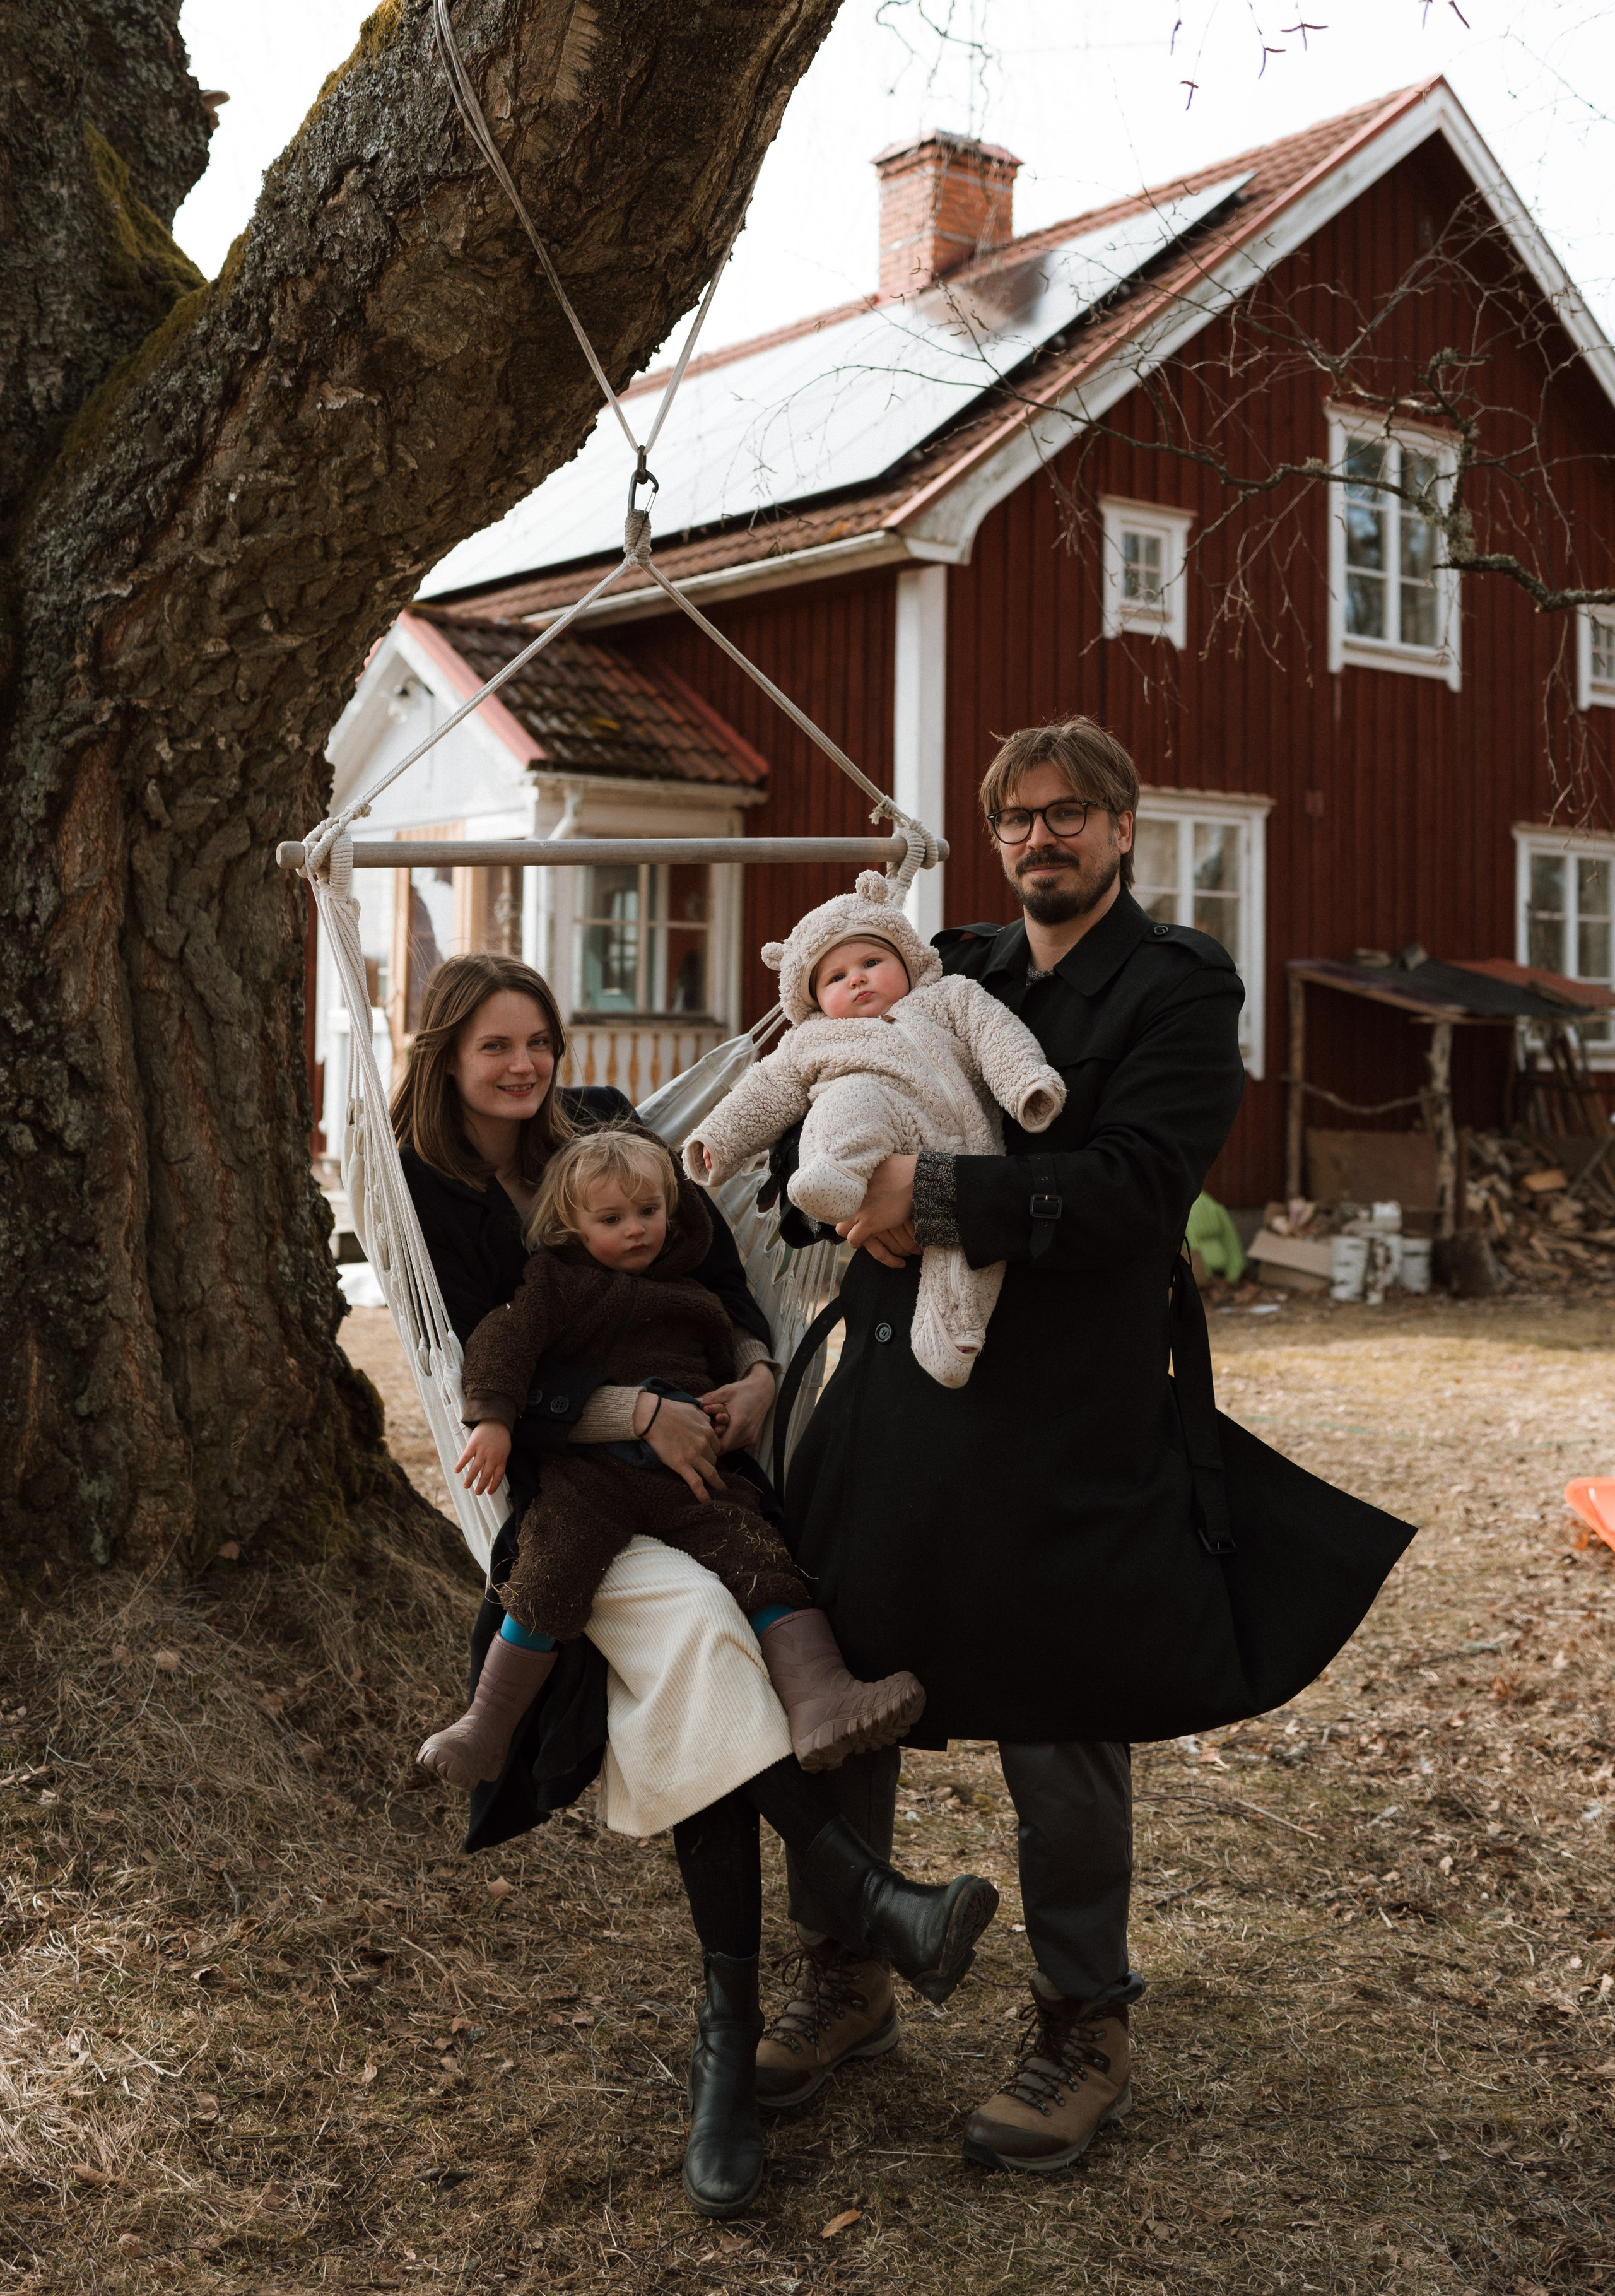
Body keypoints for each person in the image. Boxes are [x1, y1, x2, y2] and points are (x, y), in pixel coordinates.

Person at [761, 721, 1414, 2171]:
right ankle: (846, 1965)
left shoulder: (1176, 988)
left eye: (1065, 816)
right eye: (1014, 821)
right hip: (893, 1389)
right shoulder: (949, 963)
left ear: (1122, 829)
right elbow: (814, 1090)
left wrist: (922, 1193)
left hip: (1067, 1401)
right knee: (837, 1682)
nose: (1036, 841)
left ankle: (1079, 2016)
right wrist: (822, 1178)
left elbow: (1128, 1185)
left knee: (1060, 1713)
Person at [392, 954, 999, 2215]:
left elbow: (724, 1287)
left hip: (698, 1472)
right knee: (700, 1647)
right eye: (492, 1047)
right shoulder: (427, 1191)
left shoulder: (615, 1134)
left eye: (535, 1041)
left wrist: (760, 1376)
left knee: (718, 1634)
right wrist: (625, 1409)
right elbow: (477, 1358)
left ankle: (743, 2025)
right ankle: (853, 1910)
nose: (521, 1066)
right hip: (558, 1494)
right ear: (448, 1058)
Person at [415, 1123, 923, 1784]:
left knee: (757, 1554)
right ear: (572, 1224)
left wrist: (746, 1386)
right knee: (551, 1564)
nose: (635, 1229)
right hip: (589, 1477)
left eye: (649, 1212)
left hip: (693, 1473)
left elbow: (733, 1344)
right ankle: (486, 1725)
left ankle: (819, 1696)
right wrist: (493, 1420)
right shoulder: (554, 1284)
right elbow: (501, 1343)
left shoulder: (690, 1291)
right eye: (612, 1218)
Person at [684, 867, 1064, 1386]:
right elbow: (762, 1093)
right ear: (814, 1000)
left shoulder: (950, 996)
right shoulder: (811, 1041)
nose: (856, 979)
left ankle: (955, 1339)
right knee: (848, 1102)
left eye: (871, 961)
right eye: (835, 978)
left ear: (906, 961)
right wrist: (718, 1140)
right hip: (873, 1132)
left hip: (971, 1155)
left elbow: (997, 1034)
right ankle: (834, 1175)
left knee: (968, 1252)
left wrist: (1026, 1084)